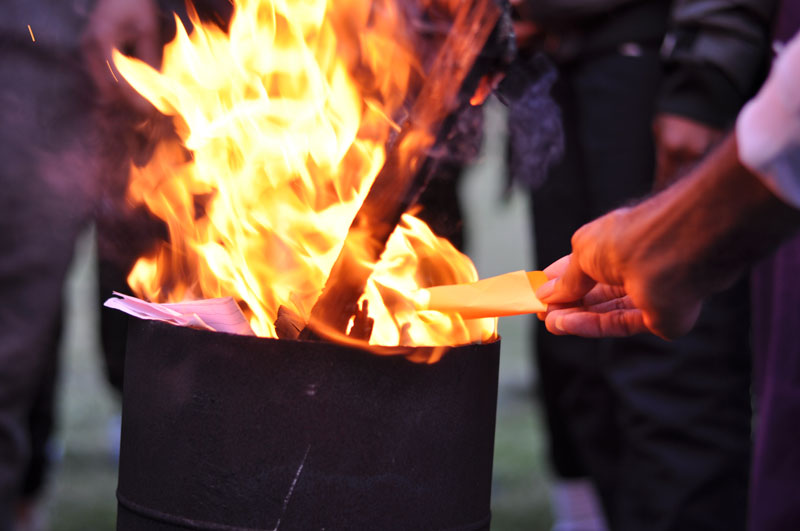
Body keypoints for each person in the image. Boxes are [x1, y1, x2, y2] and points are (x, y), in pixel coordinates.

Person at [505, 1, 775, 529]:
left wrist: (706, 73)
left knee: (665, 360)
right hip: (552, 60)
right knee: (573, 335)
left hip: (658, 61)